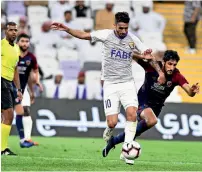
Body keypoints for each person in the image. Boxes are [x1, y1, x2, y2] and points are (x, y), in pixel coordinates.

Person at [51, 12, 165, 164]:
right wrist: (68, 29)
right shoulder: (105, 35)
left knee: (132, 113)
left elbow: (146, 53)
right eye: (121, 28)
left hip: (127, 83)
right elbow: (84, 35)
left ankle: (126, 149)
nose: (123, 31)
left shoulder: (133, 39)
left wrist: (149, 57)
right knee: (112, 122)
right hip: (110, 84)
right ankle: (109, 130)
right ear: (115, 25)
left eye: (126, 28)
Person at [102, 50, 200, 164]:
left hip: (156, 108)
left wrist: (192, 91)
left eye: (174, 65)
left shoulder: (177, 76)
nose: (172, 67)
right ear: (163, 62)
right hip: (142, 101)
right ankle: (119, 145)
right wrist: (142, 55)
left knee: (137, 130)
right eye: (169, 64)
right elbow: (131, 55)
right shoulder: (152, 66)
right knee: (152, 120)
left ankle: (119, 146)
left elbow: (189, 91)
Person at [14, 33, 43, 148]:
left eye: (27, 41)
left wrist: (36, 84)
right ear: (17, 43)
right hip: (8, 87)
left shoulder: (31, 57)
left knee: (26, 110)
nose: (25, 43)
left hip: (23, 88)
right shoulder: (13, 54)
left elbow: (34, 73)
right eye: (22, 41)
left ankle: (27, 139)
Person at [1, 22, 23, 155]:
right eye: (11, 30)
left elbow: (15, 70)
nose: (13, 32)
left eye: (15, 30)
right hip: (1, 80)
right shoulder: (1, 45)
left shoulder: (16, 48)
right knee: (9, 115)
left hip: (8, 83)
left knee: (5, 116)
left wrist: (19, 89)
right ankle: (3, 149)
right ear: (5, 31)